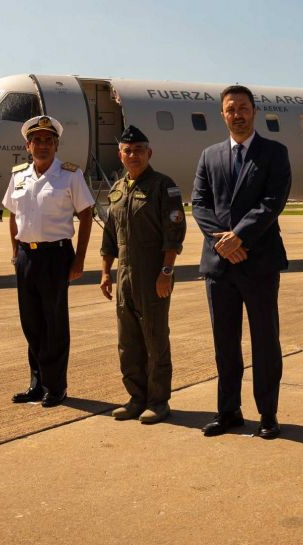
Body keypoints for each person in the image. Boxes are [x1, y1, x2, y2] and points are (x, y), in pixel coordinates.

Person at [191, 85, 292, 439]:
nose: (238, 114)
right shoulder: (210, 155)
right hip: (220, 266)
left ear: (254, 112)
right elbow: (199, 204)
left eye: (244, 108)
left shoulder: (274, 153)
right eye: (231, 109)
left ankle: (267, 413)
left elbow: (272, 201)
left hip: (258, 261)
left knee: (265, 342)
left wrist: (240, 237)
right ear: (223, 114)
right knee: (225, 344)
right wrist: (224, 242)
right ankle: (228, 411)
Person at [2, 115, 94, 408]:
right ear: (28, 146)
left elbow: (86, 215)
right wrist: (16, 253)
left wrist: (78, 260)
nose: (43, 145)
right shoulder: (18, 176)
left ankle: (56, 386)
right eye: (37, 140)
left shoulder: (70, 175)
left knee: (54, 324)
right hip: (26, 257)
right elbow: (14, 216)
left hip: (56, 255)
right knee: (31, 322)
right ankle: (36, 383)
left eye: (48, 140)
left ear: (56, 145)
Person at [100, 125, 186, 424]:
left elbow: (174, 233)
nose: (133, 155)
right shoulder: (117, 190)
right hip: (124, 277)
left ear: (149, 153)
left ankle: (158, 402)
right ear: (120, 155)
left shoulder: (164, 186)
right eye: (128, 150)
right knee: (128, 341)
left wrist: (166, 272)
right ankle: (136, 398)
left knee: (155, 339)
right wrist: (105, 273)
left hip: (153, 276)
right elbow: (110, 236)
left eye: (138, 150)